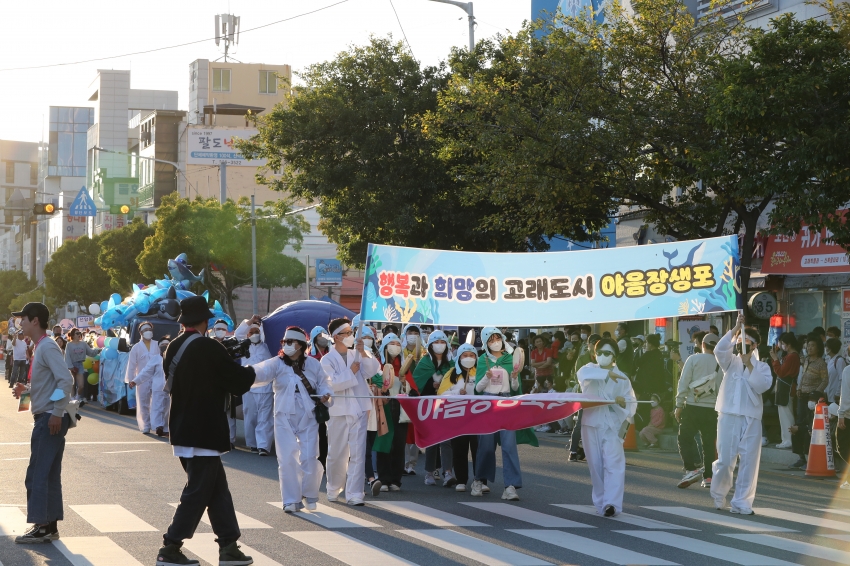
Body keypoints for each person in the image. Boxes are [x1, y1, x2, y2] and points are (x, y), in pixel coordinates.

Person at [156, 296, 256, 566]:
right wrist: (252, 370)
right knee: (198, 491)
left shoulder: (173, 347)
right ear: (205, 320)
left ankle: (229, 545)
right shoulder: (209, 346)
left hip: (182, 426)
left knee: (216, 491)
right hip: (204, 429)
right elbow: (235, 381)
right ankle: (170, 546)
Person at [250, 326, 332, 513]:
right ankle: (290, 500)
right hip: (283, 415)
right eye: (284, 342)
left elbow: (324, 382)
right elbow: (258, 372)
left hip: (308, 414)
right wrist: (239, 375)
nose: (286, 345)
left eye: (290, 342)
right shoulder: (277, 363)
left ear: (301, 345)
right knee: (287, 458)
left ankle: (310, 493)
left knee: (310, 457)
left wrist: (326, 394)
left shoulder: (313, 364)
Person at [11, 303, 74, 544]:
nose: (21, 323)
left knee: (37, 473)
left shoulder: (46, 346)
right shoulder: (41, 347)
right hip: (49, 414)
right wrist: (26, 391)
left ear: (35, 321)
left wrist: (57, 411)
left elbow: (65, 383)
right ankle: (49, 525)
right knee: (48, 474)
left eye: (23, 319)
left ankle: (42, 525)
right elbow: (48, 385)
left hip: (49, 418)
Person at [711, 313, 773, 515]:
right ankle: (719, 496)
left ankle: (742, 503)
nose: (741, 345)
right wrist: (735, 328)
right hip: (728, 414)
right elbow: (719, 350)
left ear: (755, 346)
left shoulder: (762, 367)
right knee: (725, 460)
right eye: (738, 341)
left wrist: (749, 364)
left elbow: (762, 386)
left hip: (751, 418)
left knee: (749, 461)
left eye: (745, 342)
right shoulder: (729, 362)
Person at [472, 327, 537, 500]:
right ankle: (479, 480)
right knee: (485, 445)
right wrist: (486, 377)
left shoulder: (511, 359)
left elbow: (516, 389)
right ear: (486, 343)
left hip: (507, 403)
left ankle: (510, 486)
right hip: (488, 404)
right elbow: (477, 389)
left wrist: (515, 377)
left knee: (509, 445)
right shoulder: (482, 360)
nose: (495, 342)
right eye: (491, 339)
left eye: (497, 338)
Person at [577, 338, 636, 517]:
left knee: (614, 464)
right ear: (595, 354)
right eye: (600, 352)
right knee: (595, 465)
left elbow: (631, 404)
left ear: (614, 356)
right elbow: (582, 376)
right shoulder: (587, 370)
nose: (603, 356)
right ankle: (601, 501)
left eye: (608, 353)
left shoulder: (623, 378)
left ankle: (612, 503)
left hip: (612, 426)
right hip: (591, 423)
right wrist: (606, 375)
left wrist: (620, 402)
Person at [321, 318, 377, 506]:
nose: (351, 336)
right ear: (336, 337)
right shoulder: (327, 359)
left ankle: (355, 493)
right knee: (337, 453)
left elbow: (372, 370)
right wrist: (351, 372)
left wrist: (363, 353)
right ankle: (333, 487)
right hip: (338, 411)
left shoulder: (358, 353)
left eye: (351, 332)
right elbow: (332, 384)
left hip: (359, 409)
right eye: (347, 333)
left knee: (358, 452)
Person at [674, 332, 721, 489]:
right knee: (708, 444)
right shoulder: (722, 363)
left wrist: (679, 405)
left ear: (703, 345)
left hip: (693, 406)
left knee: (684, 438)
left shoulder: (693, 359)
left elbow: (683, 383)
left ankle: (691, 469)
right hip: (712, 409)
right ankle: (708, 477)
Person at [412, 330, 457, 487]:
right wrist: (431, 385)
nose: (439, 345)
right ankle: (429, 472)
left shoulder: (451, 364)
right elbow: (416, 387)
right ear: (430, 346)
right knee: (432, 440)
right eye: (436, 343)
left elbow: (456, 383)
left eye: (442, 342)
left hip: (446, 406)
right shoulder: (424, 363)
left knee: (446, 440)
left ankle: (448, 472)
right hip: (430, 406)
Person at [373, 333, 411, 492]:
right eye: (391, 343)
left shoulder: (404, 366)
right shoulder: (378, 365)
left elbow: (412, 390)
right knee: (384, 444)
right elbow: (373, 382)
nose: (395, 346)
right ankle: (383, 478)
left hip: (400, 409)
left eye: (397, 343)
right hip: (384, 408)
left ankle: (396, 479)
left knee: (398, 444)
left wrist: (405, 383)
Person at [439, 343, 478, 492]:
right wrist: (456, 393)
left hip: (477, 416)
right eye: (465, 355)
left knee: (478, 449)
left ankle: (479, 479)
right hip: (458, 416)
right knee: (459, 448)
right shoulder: (452, 373)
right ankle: (461, 480)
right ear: (459, 357)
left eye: (471, 355)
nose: (468, 358)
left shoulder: (480, 371)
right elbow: (441, 394)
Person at [235, 317, 273, 456]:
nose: (254, 334)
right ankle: (252, 444)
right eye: (251, 332)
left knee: (265, 418)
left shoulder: (267, 345)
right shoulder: (243, 345)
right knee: (250, 416)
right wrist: (250, 321)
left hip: (265, 388)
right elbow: (238, 333)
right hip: (249, 387)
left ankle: (263, 446)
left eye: (257, 331)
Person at [789, 336, 829, 469]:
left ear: (818, 348)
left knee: (808, 426)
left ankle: (809, 457)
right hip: (802, 396)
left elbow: (825, 380)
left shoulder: (821, 363)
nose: (809, 348)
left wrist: (816, 393)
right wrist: (799, 388)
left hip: (812, 399)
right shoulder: (806, 361)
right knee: (798, 424)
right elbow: (802, 377)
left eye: (812, 345)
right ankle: (800, 457)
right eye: (808, 345)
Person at [569, 334, 602, 461]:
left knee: (599, 423)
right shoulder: (582, 358)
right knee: (580, 422)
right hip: (585, 393)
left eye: (597, 343)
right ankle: (573, 450)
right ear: (588, 345)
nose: (594, 346)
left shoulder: (602, 358)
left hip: (600, 394)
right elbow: (579, 376)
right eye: (592, 343)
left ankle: (596, 451)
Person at [126, 321, 160, 435]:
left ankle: (157, 424)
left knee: (156, 402)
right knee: (143, 402)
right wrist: (131, 379)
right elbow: (131, 365)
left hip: (156, 378)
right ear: (140, 332)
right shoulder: (136, 347)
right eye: (145, 330)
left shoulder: (157, 344)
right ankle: (145, 424)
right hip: (141, 379)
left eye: (150, 330)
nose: (148, 332)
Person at [769, 333, 800, 450]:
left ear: (789, 344)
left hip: (786, 387)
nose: (781, 345)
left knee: (786, 414)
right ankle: (786, 439)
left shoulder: (792, 356)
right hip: (784, 387)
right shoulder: (790, 356)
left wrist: (775, 360)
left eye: (782, 343)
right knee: (784, 414)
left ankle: (788, 439)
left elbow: (781, 372)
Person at [401, 324, 425, 475]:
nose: (413, 335)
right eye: (410, 332)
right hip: (404, 393)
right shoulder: (400, 352)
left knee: (414, 429)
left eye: (416, 332)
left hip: (419, 394)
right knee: (403, 429)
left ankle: (412, 464)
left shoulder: (424, 353)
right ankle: (403, 462)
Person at [64, 328, 99, 402]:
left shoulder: (83, 344)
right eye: (77, 333)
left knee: (81, 385)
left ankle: (77, 396)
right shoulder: (69, 344)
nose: (79, 334)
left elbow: (90, 353)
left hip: (80, 364)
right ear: (73, 335)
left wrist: (98, 350)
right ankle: (72, 398)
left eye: (79, 333)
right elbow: (67, 356)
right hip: (71, 365)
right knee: (73, 384)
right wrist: (70, 367)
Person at [152, 337, 172, 438]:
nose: (164, 346)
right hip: (157, 387)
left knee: (167, 409)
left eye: (166, 344)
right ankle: (158, 427)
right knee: (157, 407)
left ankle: (166, 428)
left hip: (169, 386)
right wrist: (135, 381)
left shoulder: (173, 358)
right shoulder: (155, 359)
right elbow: (146, 371)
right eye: (162, 345)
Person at [826, 338, 846, 404]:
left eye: (827, 347)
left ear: (830, 348)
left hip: (836, 397)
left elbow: (842, 378)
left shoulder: (839, 360)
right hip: (829, 394)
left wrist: (838, 393)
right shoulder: (829, 360)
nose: (825, 348)